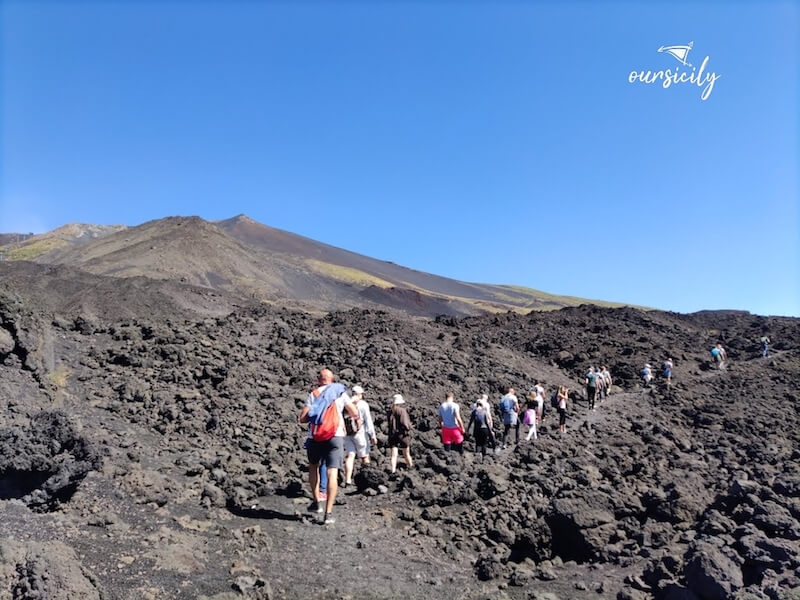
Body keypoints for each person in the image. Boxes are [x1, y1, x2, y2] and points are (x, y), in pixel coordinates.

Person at [299, 368, 360, 525]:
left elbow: (303, 418)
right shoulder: (340, 393)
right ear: (332, 380)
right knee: (332, 472)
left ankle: (316, 502)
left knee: (313, 467)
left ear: (319, 380)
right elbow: (353, 411)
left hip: (315, 437)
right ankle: (328, 513)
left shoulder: (314, 394)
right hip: (336, 436)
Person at [343, 385, 377, 488]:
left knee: (350, 456)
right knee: (364, 456)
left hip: (348, 434)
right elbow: (368, 420)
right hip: (360, 433)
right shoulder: (363, 404)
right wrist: (372, 435)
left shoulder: (346, 403)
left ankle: (348, 480)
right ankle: (366, 479)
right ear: (358, 394)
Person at [387, 394, 413, 473]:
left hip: (392, 435)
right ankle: (411, 467)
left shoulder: (390, 411)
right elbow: (405, 423)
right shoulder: (402, 410)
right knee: (406, 453)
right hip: (402, 435)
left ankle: (393, 470)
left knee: (394, 455)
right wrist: (409, 428)